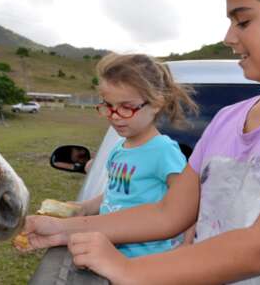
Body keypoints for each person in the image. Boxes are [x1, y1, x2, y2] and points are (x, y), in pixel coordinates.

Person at [17, 0, 260, 284]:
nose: (229, 37)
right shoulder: (226, 120)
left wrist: (130, 270)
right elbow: (168, 213)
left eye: (243, 21)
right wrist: (61, 229)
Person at [59, 53, 198, 258]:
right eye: (109, 106)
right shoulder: (118, 148)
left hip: (146, 261)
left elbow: (188, 203)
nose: (115, 116)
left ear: (156, 103)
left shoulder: (164, 151)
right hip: (109, 254)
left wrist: (187, 245)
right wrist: (85, 208)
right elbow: (115, 196)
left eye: (126, 107)